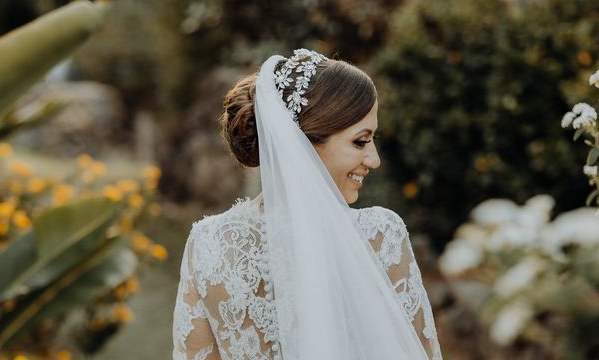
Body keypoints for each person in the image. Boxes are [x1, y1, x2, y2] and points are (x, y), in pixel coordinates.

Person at [172, 49, 442, 360]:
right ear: (303, 142)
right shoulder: (380, 236)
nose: (374, 160)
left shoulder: (208, 245)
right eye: (360, 141)